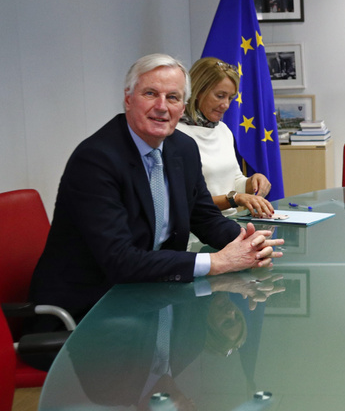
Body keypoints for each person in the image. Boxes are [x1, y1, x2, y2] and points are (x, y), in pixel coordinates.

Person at [28, 53, 284, 328]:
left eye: (173, 98)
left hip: (151, 297)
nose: (162, 107)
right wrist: (217, 262)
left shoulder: (182, 149)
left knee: (191, 350)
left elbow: (205, 218)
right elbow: (120, 261)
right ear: (128, 98)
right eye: (151, 94)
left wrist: (249, 243)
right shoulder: (96, 160)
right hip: (88, 312)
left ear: (182, 106)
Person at [176, 57, 275, 218]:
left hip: (228, 227)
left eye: (230, 98)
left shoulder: (223, 130)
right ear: (198, 91)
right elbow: (186, 200)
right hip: (195, 232)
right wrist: (234, 199)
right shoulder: (175, 134)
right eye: (220, 96)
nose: (226, 105)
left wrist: (253, 182)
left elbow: (234, 182)